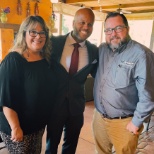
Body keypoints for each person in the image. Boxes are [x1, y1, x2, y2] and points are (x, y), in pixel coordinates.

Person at [92, 12, 154, 154]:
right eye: (108, 30)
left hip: (124, 123)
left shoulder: (142, 55)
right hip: (99, 118)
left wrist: (136, 122)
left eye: (118, 28)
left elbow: (148, 95)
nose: (113, 34)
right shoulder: (102, 50)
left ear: (127, 29)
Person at [0, 15, 57, 153]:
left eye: (42, 32)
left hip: (37, 126)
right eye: (33, 32)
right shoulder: (13, 60)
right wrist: (15, 127)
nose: (38, 36)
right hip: (18, 127)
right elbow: (6, 98)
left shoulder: (44, 58)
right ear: (24, 33)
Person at [46, 7, 98, 154]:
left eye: (90, 24)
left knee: (71, 146)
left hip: (76, 107)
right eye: (82, 22)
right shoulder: (54, 43)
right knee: (51, 146)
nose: (86, 27)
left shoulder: (93, 50)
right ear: (73, 22)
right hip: (55, 105)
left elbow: (98, 74)